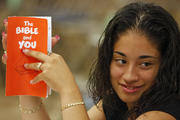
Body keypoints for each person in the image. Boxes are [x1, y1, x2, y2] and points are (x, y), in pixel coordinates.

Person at [2, 2, 180, 120]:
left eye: (145, 64)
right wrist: (27, 79)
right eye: (121, 61)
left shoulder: (159, 115)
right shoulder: (117, 102)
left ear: (166, 63)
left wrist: (68, 88)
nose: (130, 75)